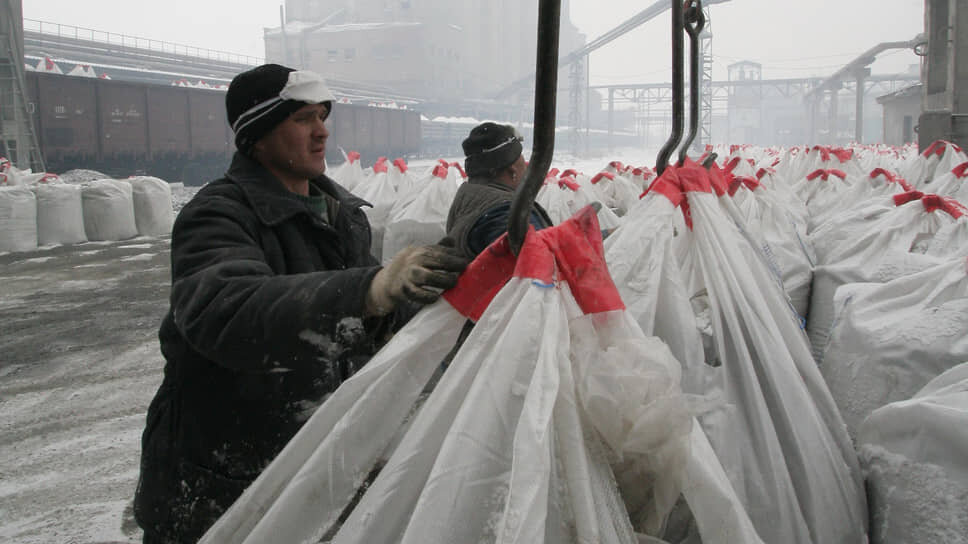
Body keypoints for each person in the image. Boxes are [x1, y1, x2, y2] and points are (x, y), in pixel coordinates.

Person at [133, 63, 468, 543]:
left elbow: (374, 322)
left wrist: (453, 300)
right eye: (303, 119)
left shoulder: (341, 214)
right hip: (228, 479)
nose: (322, 131)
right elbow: (227, 310)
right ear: (258, 136)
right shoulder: (217, 214)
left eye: (323, 116)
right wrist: (368, 289)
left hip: (315, 466)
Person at [445, 122, 553, 259]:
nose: (526, 171)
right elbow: (540, 269)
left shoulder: (467, 198)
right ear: (512, 171)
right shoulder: (510, 215)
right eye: (523, 165)